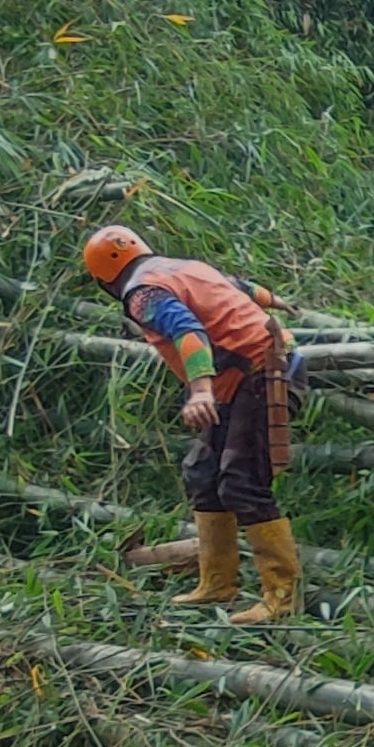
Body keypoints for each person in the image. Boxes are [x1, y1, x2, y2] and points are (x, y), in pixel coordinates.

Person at [81, 224, 303, 624]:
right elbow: (239, 286)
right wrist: (277, 302)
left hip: (263, 373)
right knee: (202, 472)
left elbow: (188, 331)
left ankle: (282, 598)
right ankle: (216, 583)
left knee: (242, 479)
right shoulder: (178, 267)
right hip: (244, 377)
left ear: (102, 281)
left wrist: (200, 391)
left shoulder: (142, 294)